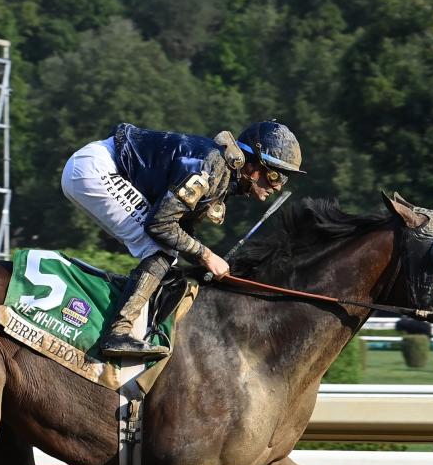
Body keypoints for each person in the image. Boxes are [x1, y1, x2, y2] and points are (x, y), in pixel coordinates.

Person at [62, 119, 304, 360]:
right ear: (253, 165)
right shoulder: (212, 165)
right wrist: (207, 256)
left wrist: (202, 259)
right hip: (97, 169)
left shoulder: (223, 172)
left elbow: (180, 229)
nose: (277, 187)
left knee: (168, 252)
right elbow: (160, 225)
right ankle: (118, 332)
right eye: (276, 176)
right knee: (159, 249)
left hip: (95, 167)